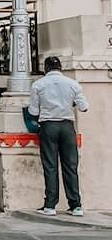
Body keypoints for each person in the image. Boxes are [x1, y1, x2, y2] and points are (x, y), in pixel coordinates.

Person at [28, 55, 88, 217]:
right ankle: (75, 205)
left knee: (50, 166)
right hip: (67, 126)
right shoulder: (73, 84)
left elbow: (33, 111)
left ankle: (50, 205)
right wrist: (69, 103)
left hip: (48, 125)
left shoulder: (38, 85)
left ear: (46, 68)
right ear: (60, 68)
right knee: (70, 166)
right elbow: (84, 107)